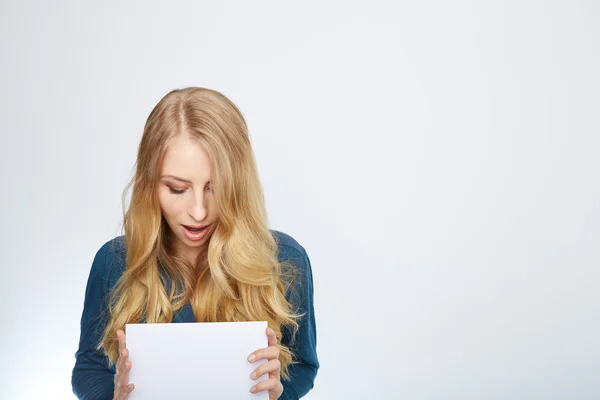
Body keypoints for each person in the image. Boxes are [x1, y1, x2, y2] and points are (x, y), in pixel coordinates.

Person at [71, 87, 319, 399]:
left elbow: (303, 365)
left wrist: (278, 392)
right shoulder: (114, 260)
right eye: (177, 189)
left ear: (239, 184)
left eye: (215, 188)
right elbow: (89, 367)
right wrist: (114, 396)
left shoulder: (285, 259)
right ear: (150, 184)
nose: (199, 212)